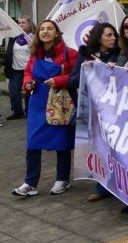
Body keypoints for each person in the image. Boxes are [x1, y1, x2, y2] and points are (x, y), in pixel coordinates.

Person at [12, 20, 79, 197]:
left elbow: (77, 76)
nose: (45, 31)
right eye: (42, 28)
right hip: (37, 102)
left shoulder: (69, 53)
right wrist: (27, 83)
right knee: (32, 143)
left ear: (57, 33)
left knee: (61, 142)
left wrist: (59, 80)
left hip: (60, 103)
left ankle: (62, 179)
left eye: (50, 28)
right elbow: (27, 72)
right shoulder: (35, 54)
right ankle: (30, 183)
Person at [69, 22, 120, 202]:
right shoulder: (84, 55)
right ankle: (102, 185)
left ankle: (120, 185)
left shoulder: (120, 54)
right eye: (109, 35)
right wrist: (87, 69)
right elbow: (72, 81)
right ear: (98, 37)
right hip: (93, 111)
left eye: (114, 35)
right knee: (99, 148)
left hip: (114, 112)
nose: (113, 38)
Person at [4, 15, 35, 120]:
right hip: (15, 69)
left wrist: (34, 46)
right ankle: (17, 112)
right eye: (19, 22)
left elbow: (39, 54)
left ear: (29, 24)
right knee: (13, 91)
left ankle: (29, 111)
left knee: (29, 92)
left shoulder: (34, 37)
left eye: (23, 22)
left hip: (29, 70)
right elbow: (9, 52)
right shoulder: (15, 37)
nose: (20, 24)